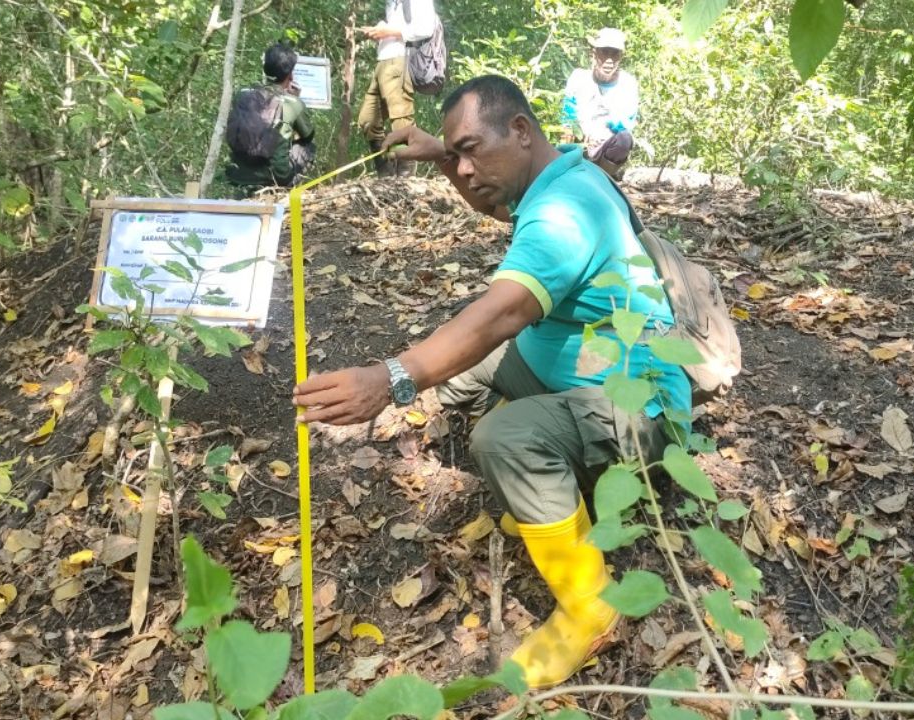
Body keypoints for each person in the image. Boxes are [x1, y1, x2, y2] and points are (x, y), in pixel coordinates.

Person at [292, 75, 692, 689]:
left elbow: (503, 312)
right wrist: (443, 156)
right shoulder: (556, 175)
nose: (466, 169)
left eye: (472, 148)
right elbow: (489, 199)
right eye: (458, 154)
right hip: (570, 360)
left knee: (503, 438)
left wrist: (392, 377)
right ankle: (545, 492)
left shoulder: (563, 212)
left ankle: (589, 604)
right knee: (458, 376)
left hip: (639, 401)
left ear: (522, 131)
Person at [357, 0, 438, 177]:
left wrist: (388, 31)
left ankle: (406, 176)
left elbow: (426, 28)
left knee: (401, 121)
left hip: (400, 59)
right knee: (368, 120)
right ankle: (385, 173)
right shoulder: (391, 3)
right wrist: (380, 30)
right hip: (383, 61)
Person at [225, 43, 316, 195]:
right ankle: (285, 188)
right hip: (275, 176)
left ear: (265, 69)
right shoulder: (292, 103)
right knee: (309, 147)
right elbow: (308, 135)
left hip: (238, 172)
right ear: (291, 75)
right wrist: (295, 100)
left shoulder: (243, 94)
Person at [561, 27, 639, 179]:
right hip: (581, 146)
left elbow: (627, 122)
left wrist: (604, 132)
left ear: (620, 57)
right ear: (594, 54)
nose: (609, 60)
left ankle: (602, 176)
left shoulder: (628, 84)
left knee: (624, 139)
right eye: (604, 52)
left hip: (606, 148)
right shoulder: (578, 78)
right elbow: (567, 118)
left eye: (614, 54)